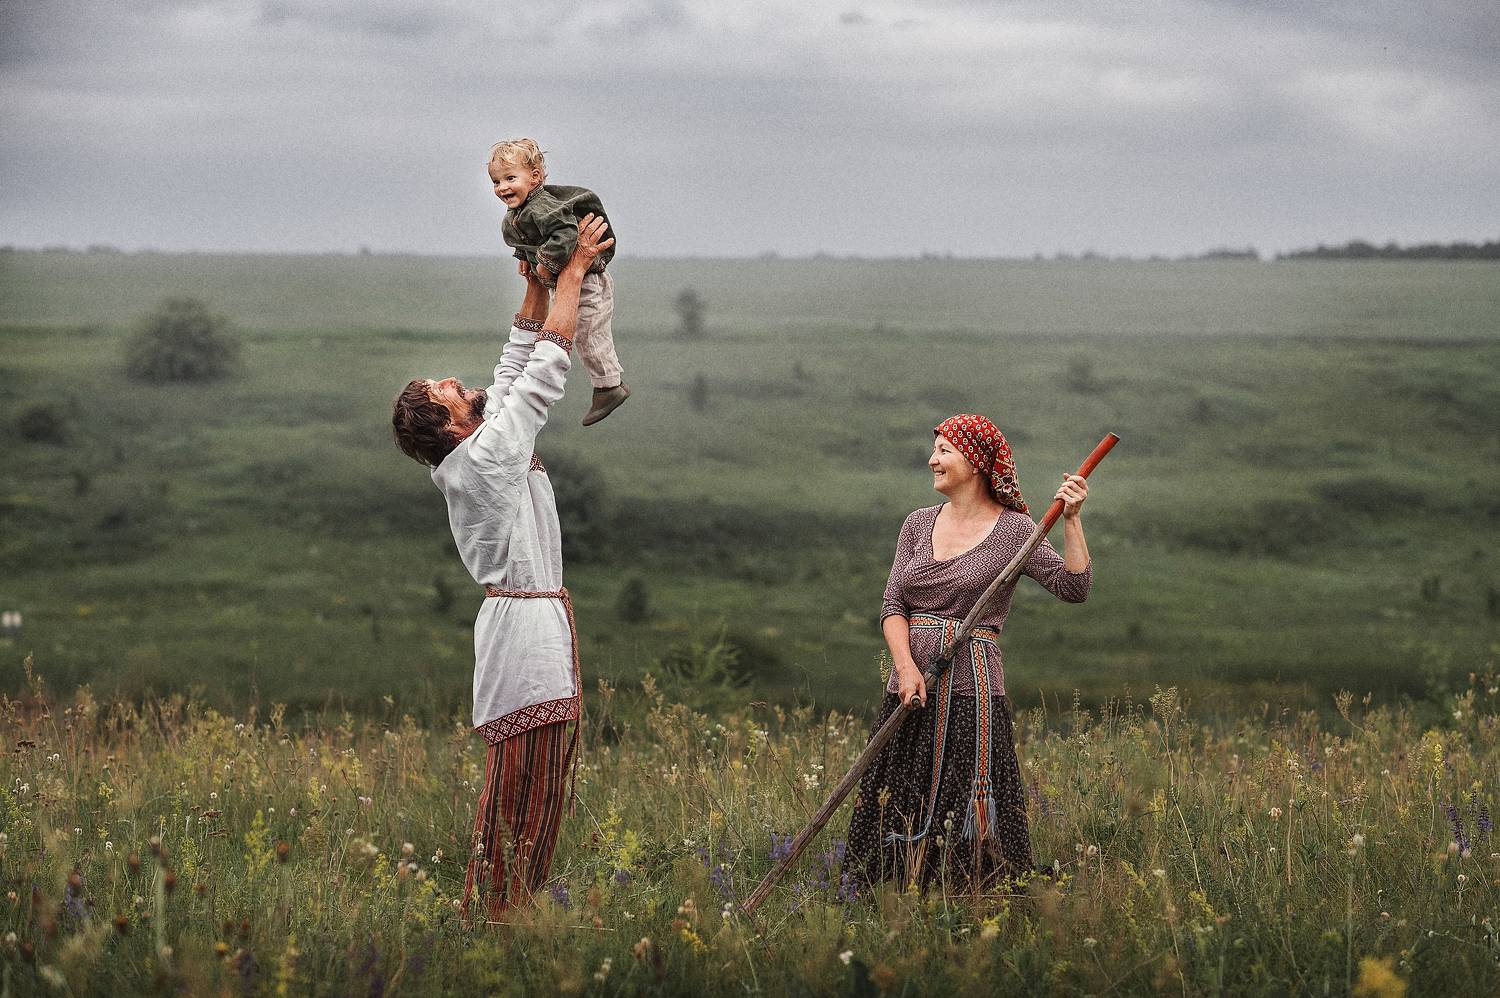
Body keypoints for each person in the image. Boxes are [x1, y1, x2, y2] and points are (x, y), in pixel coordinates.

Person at [390, 214, 614, 921]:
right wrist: (572, 273)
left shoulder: (474, 450)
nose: (456, 383)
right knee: (523, 785)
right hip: (523, 634)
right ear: (450, 426)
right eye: (445, 391)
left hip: (528, 622)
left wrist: (535, 288)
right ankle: (496, 911)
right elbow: (542, 376)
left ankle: (506, 909)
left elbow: (512, 371)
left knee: (531, 784)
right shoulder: (483, 458)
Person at [843, 414, 1093, 892]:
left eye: (944, 450)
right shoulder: (917, 523)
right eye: (934, 449)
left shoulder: (1016, 531)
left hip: (972, 690)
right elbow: (893, 604)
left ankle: (971, 896)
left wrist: (1072, 520)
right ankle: (884, 893)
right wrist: (905, 668)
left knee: (966, 798)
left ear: (975, 462)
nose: (932, 459)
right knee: (893, 790)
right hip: (910, 684)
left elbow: (1073, 587)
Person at [488, 138, 630, 426]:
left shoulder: (541, 206)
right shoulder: (520, 213)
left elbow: (565, 231)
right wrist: (526, 258)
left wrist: (546, 262)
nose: (502, 187)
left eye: (510, 178)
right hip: (563, 280)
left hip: (587, 279)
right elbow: (528, 239)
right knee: (567, 331)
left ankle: (608, 386)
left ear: (535, 177)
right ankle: (605, 384)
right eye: (496, 181)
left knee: (588, 333)